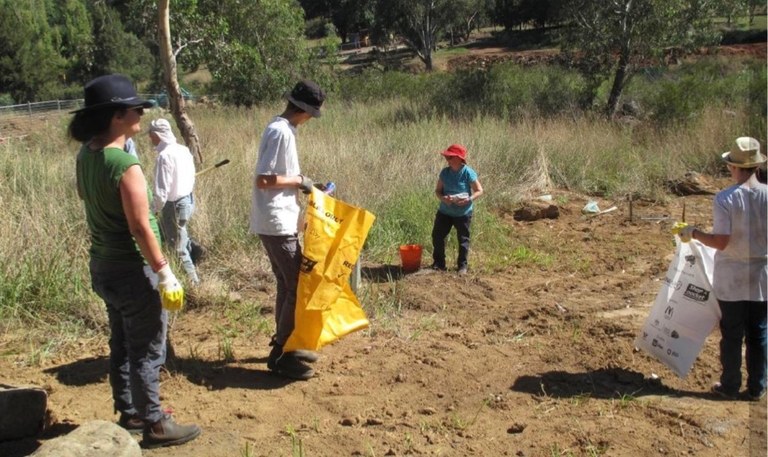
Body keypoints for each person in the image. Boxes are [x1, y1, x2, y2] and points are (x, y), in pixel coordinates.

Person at [68, 74, 201, 448]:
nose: (142, 112)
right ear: (116, 116)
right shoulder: (125, 165)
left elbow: (85, 196)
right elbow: (141, 227)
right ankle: (155, 423)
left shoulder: (87, 154)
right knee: (147, 346)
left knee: (122, 340)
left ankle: (129, 412)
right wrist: (164, 272)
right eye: (135, 108)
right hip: (132, 267)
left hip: (103, 265)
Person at [679, 136, 767, 401]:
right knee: (759, 332)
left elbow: (721, 241)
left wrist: (694, 233)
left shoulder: (726, 199)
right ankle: (757, 387)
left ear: (735, 167)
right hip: (762, 277)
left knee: (731, 333)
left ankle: (730, 385)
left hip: (732, 278)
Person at [249, 80, 325, 380]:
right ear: (303, 110)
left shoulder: (284, 129)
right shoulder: (280, 131)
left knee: (287, 283)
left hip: (278, 218)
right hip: (275, 221)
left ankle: (287, 343)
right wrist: (299, 181)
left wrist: (305, 186)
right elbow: (264, 180)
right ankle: (281, 355)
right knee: (298, 286)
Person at [148, 118, 200, 284]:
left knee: (177, 247)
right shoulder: (183, 150)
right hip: (188, 200)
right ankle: (197, 256)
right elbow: (191, 177)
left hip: (174, 205)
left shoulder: (164, 156)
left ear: (157, 135)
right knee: (181, 236)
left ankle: (195, 284)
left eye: (151, 135)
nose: (150, 139)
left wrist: (153, 210)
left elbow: (161, 192)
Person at [431, 144, 484, 275]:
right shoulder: (444, 172)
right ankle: (439, 264)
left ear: (459, 159)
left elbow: (479, 190)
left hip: (463, 213)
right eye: (447, 157)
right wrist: (444, 199)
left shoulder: (468, 172)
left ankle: (462, 267)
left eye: (450, 157)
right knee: (437, 236)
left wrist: (469, 199)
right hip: (445, 211)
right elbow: (438, 191)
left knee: (463, 239)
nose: (447, 159)